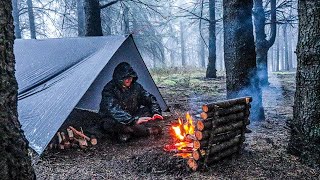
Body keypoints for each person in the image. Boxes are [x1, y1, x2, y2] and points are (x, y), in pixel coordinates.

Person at [99, 62, 163, 142]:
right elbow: (113, 110)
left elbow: (149, 98)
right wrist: (133, 121)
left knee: (148, 110)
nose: (129, 79)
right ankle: (146, 131)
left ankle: (131, 131)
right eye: (126, 77)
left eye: (130, 77)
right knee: (118, 125)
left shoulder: (136, 87)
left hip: (132, 116)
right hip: (114, 119)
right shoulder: (109, 89)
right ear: (119, 78)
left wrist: (156, 112)